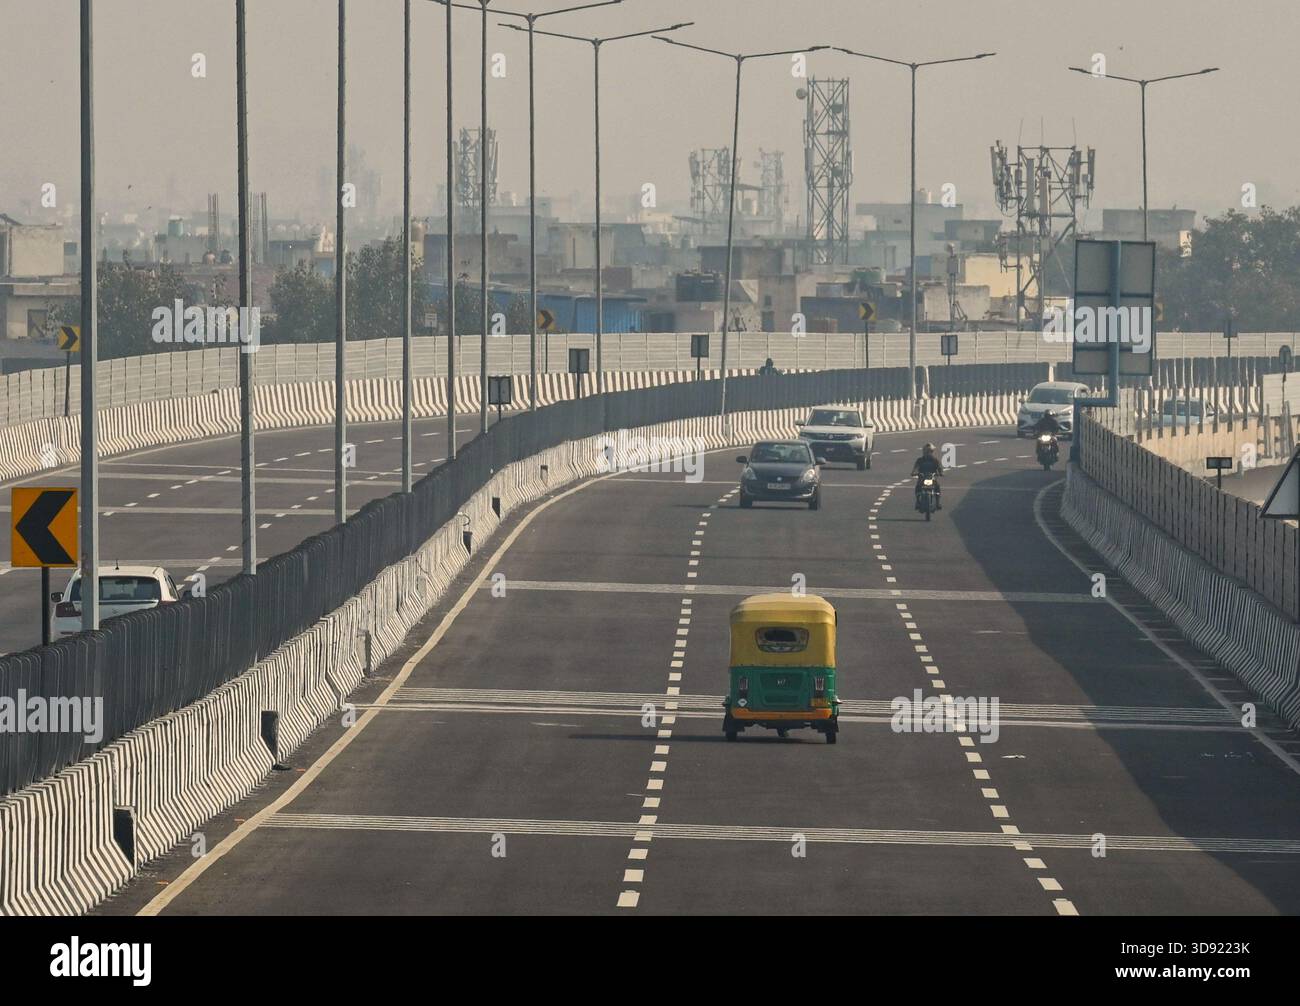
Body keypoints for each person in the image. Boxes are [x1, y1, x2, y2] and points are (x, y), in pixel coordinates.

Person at [911, 442, 944, 510]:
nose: (929, 453)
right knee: (918, 487)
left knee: (937, 486)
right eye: (927, 451)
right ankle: (918, 501)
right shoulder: (920, 460)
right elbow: (916, 467)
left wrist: (940, 473)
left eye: (930, 451)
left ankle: (937, 503)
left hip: (932, 478)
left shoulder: (935, 460)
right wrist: (914, 472)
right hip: (922, 478)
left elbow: (939, 468)